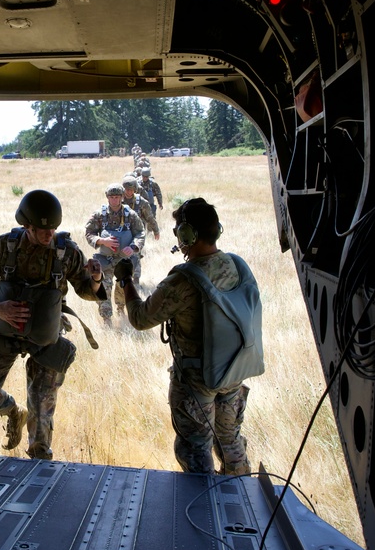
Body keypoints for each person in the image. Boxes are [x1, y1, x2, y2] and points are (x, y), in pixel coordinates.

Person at [116, 198, 256, 475]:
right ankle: (241, 498)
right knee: (230, 443)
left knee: (195, 450)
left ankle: (204, 513)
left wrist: (125, 282)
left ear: (186, 235)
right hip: (234, 373)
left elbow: (140, 318)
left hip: (197, 382)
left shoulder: (182, 279)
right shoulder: (237, 266)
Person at [0, 190, 105, 460]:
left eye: (52, 228)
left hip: (46, 335)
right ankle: (13, 413)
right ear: (26, 225)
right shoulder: (4, 247)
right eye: (42, 229)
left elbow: (86, 290)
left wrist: (96, 280)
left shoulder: (67, 253)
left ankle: (39, 462)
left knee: (41, 412)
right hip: (5, 332)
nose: (48, 234)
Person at [84, 183, 146, 324]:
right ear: (107, 198)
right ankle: (107, 319)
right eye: (111, 197)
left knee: (123, 286)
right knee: (103, 287)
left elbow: (140, 233)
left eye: (117, 197)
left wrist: (134, 246)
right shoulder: (99, 215)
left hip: (124, 261)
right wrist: (102, 241)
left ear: (122, 197)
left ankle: (121, 309)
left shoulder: (130, 215)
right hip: (105, 259)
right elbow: (89, 233)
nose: (114, 200)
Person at [121, 176, 160, 286]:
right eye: (126, 189)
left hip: (137, 234)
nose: (128, 192)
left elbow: (150, 217)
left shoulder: (141, 202)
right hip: (122, 233)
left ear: (135, 189)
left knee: (136, 255)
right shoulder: (118, 201)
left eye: (131, 189)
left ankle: (136, 281)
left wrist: (156, 230)